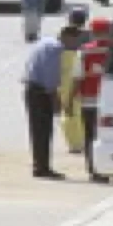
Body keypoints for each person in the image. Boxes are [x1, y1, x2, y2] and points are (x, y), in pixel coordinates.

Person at [22, 25, 84, 179]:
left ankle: (40, 165)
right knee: (43, 131)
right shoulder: (56, 49)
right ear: (66, 37)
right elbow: (50, 79)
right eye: (74, 41)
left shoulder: (45, 41)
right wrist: (57, 102)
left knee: (37, 131)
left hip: (32, 88)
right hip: (40, 92)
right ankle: (42, 168)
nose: (74, 46)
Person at [72, 17, 113, 181]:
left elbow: (77, 76)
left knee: (90, 135)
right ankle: (110, 168)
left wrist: (70, 98)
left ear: (93, 32)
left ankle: (94, 170)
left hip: (89, 101)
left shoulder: (84, 51)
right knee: (109, 135)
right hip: (112, 103)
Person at [58, 6, 91, 154]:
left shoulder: (63, 34)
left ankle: (75, 143)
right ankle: (83, 140)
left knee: (68, 110)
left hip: (66, 73)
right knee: (81, 108)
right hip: (84, 73)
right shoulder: (89, 35)